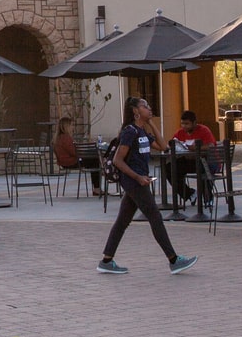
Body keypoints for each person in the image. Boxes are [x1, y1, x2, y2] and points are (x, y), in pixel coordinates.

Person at [97, 96, 197, 275]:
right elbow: (118, 160)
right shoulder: (129, 132)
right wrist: (137, 177)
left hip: (140, 180)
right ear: (135, 111)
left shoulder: (142, 131)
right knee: (155, 216)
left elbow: (163, 146)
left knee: (122, 221)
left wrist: (151, 123)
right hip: (134, 181)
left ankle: (106, 260)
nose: (149, 108)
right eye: (145, 106)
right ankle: (173, 260)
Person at [166, 110, 217, 204]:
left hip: (208, 161)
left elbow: (211, 145)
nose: (184, 126)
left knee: (202, 169)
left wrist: (196, 148)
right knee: (170, 168)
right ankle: (189, 194)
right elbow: (173, 143)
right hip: (190, 161)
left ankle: (208, 198)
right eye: (182, 123)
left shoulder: (204, 130)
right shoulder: (180, 132)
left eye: (187, 124)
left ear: (194, 123)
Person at [53, 117, 103, 196]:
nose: (73, 127)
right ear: (66, 126)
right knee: (95, 160)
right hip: (70, 162)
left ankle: (97, 188)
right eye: (72, 125)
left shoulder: (58, 138)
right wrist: (85, 152)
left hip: (64, 162)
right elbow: (74, 152)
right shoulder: (65, 138)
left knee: (93, 159)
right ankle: (97, 188)